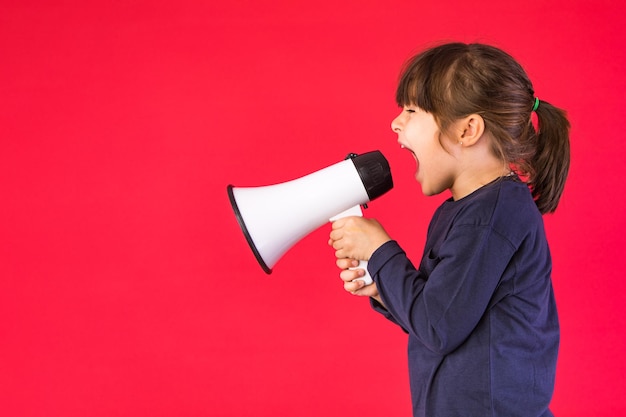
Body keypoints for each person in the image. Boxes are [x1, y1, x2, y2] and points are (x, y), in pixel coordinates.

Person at [328, 42, 570, 417]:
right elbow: (438, 313)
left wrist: (381, 251)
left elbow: (438, 326)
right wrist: (384, 288)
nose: (396, 122)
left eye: (411, 110)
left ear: (468, 129)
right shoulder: (464, 211)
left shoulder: (493, 216)